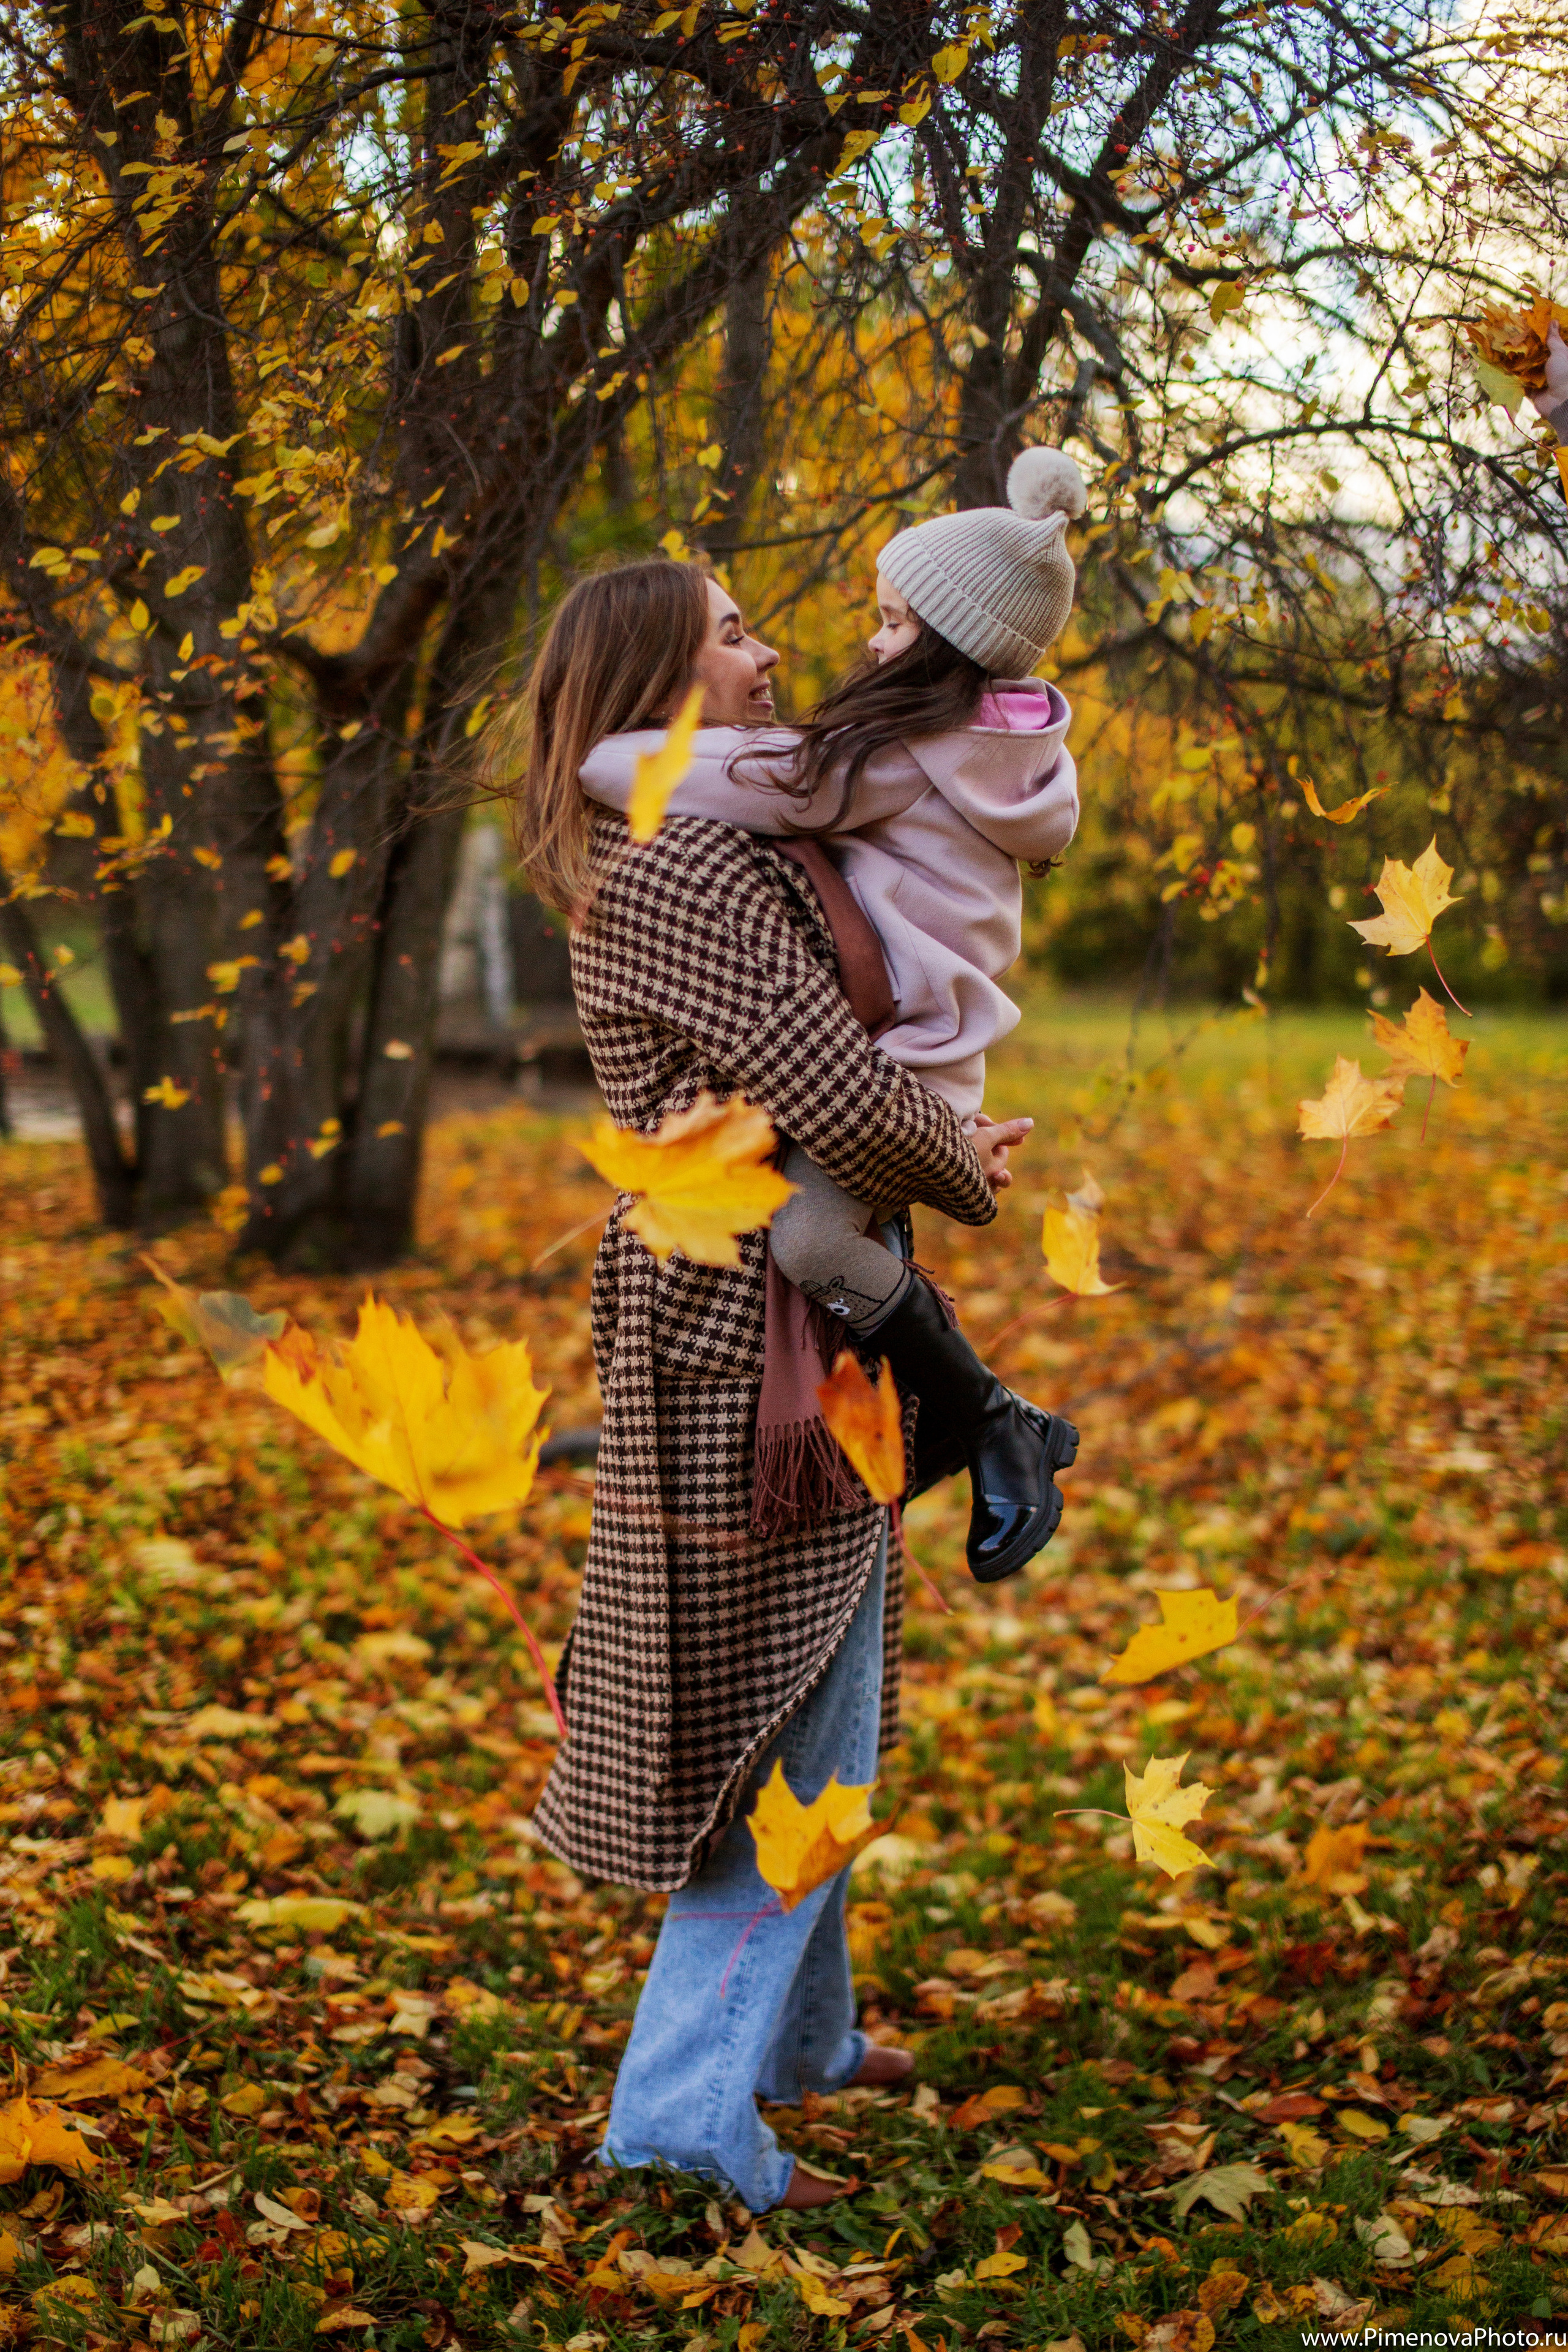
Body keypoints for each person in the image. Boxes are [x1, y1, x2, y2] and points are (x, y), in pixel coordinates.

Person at [495, 558, 1017, 2212]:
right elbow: (839, 1098)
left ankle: (798, 2041)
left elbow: (841, 1075)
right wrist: (962, 1159)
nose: (771, 651)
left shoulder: (741, 838)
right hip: (734, 1327)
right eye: (732, 633)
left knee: (832, 1680)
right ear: (656, 680)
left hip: (800, 1305)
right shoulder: (673, 868)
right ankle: (678, 2114)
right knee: (781, 1718)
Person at [581, 446, 1085, 1583]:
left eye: (896, 624)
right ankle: (987, 1423)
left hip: (910, 1059)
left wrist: (603, 756)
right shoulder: (1012, 754)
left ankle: (996, 1418)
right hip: (931, 1056)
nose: (870, 642)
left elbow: (754, 774)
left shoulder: (903, 761)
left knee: (813, 1240)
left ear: (952, 644)